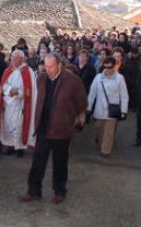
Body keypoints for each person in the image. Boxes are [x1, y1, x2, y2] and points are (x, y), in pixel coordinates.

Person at [19, 53, 87, 205]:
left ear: (59, 65)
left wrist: (70, 118)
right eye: (46, 66)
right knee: (37, 162)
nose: (48, 70)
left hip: (61, 130)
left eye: (51, 66)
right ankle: (34, 191)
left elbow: (82, 103)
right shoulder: (41, 78)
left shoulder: (72, 81)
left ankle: (59, 191)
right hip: (43, 128)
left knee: (60, 163)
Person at [0, 50, 37, 158]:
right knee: (9, 125)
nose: (13, 60)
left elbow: (30, 90)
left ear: (22, 59)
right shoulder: (8, 70)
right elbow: (2, 86)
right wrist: (9, 90)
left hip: (21, 105)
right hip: (9, 105)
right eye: (12, 58)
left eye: (16, 58)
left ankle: (20, 148)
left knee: (19, 126)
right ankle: (10, 146)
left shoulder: (28, 72)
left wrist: (18, 92)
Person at [87, 57, 129, 157]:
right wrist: (88, 107)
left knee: (109, 132)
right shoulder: (98, 77)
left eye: (109, 67)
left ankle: (105, 151)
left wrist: (124, 110)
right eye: (105, 67)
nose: (107, 69)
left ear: (114, 67)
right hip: (99, 109)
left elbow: (124, 95)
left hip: (112, 110)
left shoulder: (120, 78)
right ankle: (102, 145)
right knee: (99, 129)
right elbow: (92, 93)